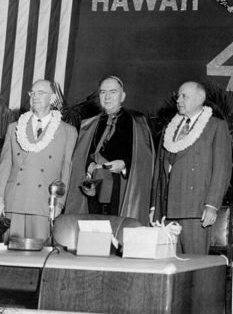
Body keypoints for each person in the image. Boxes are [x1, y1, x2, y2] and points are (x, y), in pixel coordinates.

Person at [150, 81, 232, 254]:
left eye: (183, 96)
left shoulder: (216, 126)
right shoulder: (169, 128)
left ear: (199, 99)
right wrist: (154, 206)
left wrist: (212, 205)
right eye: (177, 96)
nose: (178, 100)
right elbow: (159, 169)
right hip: (166, 209)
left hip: (196, 209)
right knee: (169, 266)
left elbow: (221, 170)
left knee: (194, 266)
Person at [65, 76, 154, 225]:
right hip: (94, 183)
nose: (107, 97)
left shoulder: (137, 122)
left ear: (122, 96)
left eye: (113, 92)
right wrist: (89, 166)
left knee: (116, 231)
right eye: (102, 92)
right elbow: (81, 155)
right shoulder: (89, 124)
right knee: (92, 230)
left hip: (122, 186)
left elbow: (145, 160)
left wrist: (124, 166)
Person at [0, 80, 77, 241]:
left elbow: (66, 171)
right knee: (10, 258)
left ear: (53, 97)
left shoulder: (68, 131)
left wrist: (59, 204)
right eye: (32, 93)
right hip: (14, 201)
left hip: (45, 203)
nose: (35, 97)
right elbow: (5, 166)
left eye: (41, 93)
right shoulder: (14, 128)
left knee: (39, 256)